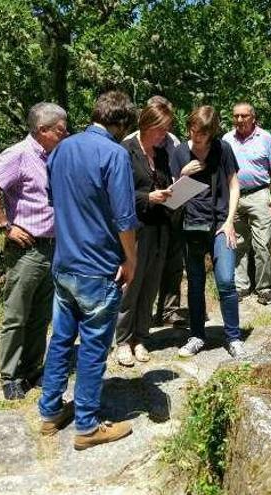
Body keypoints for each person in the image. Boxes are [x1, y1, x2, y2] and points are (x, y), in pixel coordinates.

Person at [38, 91, 138, 450]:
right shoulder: (115, 154)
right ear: (123, 123)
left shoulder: (60, 149)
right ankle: (87, 425)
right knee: (94, 347)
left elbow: (55, 201)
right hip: (98, 267)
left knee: (61, 340)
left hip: (64, 263)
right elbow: (125, 217)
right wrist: (131, 259)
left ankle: (50, 413)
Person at [0, 102, 67, 400]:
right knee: (17, 313)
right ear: (42, 130)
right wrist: (6, 224)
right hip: (26, 249)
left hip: (52, 248)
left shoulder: (53, 156)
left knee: (41, 314)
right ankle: (10, 375)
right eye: (60, 130)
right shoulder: (18, 154)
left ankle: (32, 368)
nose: (65, 135)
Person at [172, 106, 244, 359]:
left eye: (202, 133)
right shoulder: (180, 151)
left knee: (225, 280)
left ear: (212, 132)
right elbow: (173, 196)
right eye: (193, 130)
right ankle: (196, 336)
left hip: (219, 225)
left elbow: (234, 185)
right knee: (195, 283)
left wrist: (230, 221)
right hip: (191, 226)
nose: (196, 136)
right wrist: (181, 175)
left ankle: (233, 337)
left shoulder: (222, 149)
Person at [114, 103, 175, 366]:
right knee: (131, 285)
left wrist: (172, 191)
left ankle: (140, 337)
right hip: (135, 228)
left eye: (167, 130)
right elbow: (118, 193)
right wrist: (147, 197)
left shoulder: (161, 154)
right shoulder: (125, 151)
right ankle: (122, 341)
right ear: (147, 126)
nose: (164, 135)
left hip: (160, 226)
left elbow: (162, 183)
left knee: (150, 285)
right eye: (160, 130)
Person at [222, 102, 271, 305]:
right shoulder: (227, 139)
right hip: (235, 197)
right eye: (236, 116)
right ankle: (241, 287)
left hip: (259, 194)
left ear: (253, 117)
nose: (239, 120)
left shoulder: (265, 138)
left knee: (262, 244)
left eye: (244, 116)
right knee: (237, 243)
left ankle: (264, 288)